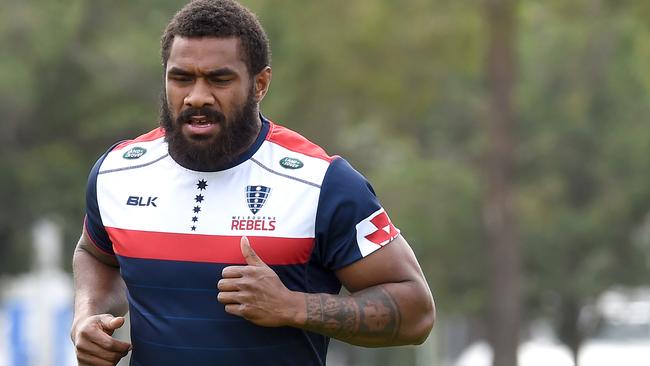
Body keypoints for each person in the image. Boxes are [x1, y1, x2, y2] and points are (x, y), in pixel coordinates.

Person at [70, 0, 435, 365]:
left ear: (260, 84)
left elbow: (416, 311)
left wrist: (293, 306)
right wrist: (86, 317)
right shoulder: (117, 173)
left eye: (219, 79)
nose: (197, 96)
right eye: (182, 78)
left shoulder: (323, 183)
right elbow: (94, 254)